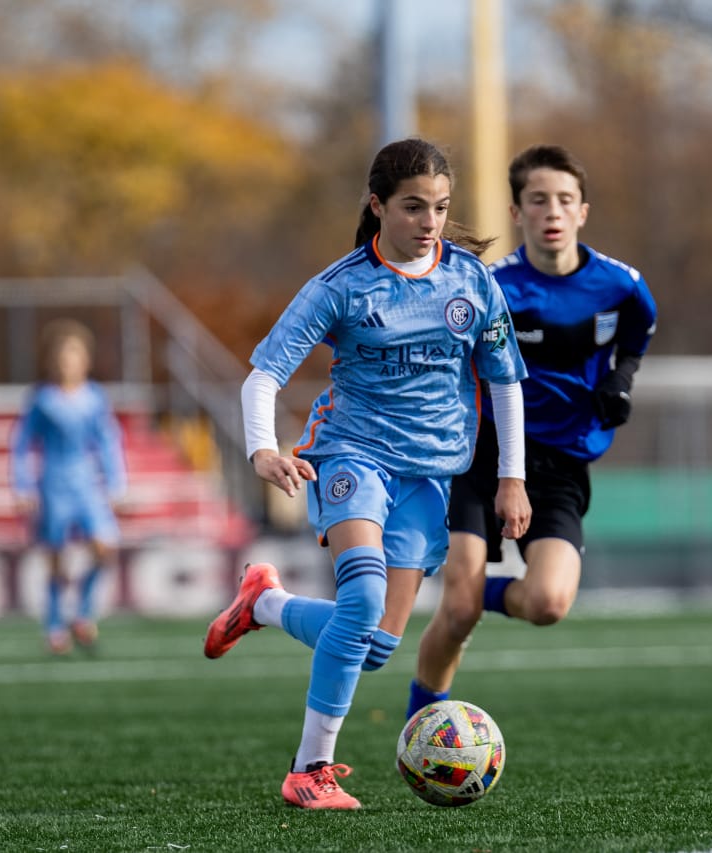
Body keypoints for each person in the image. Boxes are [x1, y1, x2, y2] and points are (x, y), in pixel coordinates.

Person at [203, 137, 532, 810]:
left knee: (376, 644)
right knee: (358, 604)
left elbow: (505, 384)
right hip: (353, 455)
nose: (430, 221)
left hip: (428, 477)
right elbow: (264, 374)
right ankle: (308, 770)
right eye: (414, 207)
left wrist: (512, 477)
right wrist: (263, 447)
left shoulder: (470, 280)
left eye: (440, 207)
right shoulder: (342, 286)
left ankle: (262, 603)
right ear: (378, 206)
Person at [408, 144, 657, 717]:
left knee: (548, 602)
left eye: (565, 200)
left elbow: (636, 337)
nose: (553, 211)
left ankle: (474, 594)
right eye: (538, 199)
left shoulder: (622, 286)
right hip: (483, 455)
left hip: (564, 460)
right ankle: (420, 726)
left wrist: (619, 379)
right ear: (517, 212)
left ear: (582, 212)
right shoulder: (491, 287)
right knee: (457, 613)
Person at [10, 319, 126, 655]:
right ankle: (54, 628)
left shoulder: (94, 398)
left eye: (74, 355)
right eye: (63, 356)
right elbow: (21, 444)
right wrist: (22, 487)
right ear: (53, 361)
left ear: (84, 361)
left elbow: (107, 442)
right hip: (53, 484)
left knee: (105, 548)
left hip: (86, 483)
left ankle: (83, 614)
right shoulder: (42, 399)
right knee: (57, 561)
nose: (68, 363)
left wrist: (117, 484)